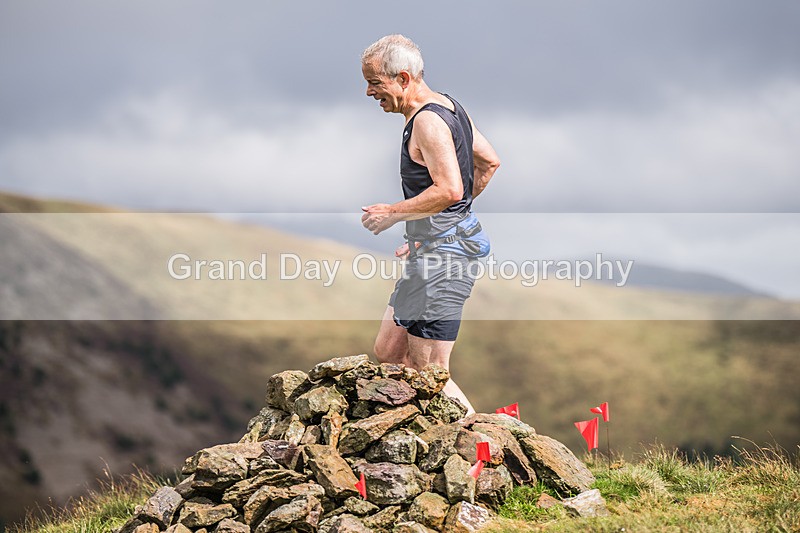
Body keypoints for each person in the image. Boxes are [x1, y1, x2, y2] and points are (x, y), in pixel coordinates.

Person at [359, 35, 500, 415]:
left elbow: (451, 189)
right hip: (434, 249)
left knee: (430, 371)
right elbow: (488, 162)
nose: (369, 92)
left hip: (447, 260)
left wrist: (395, 213)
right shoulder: (450, 106)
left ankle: (488, 452)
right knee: (389, 352)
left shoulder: (428, 123)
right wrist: (433, 228)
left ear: (403, 78)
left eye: (375, 82)